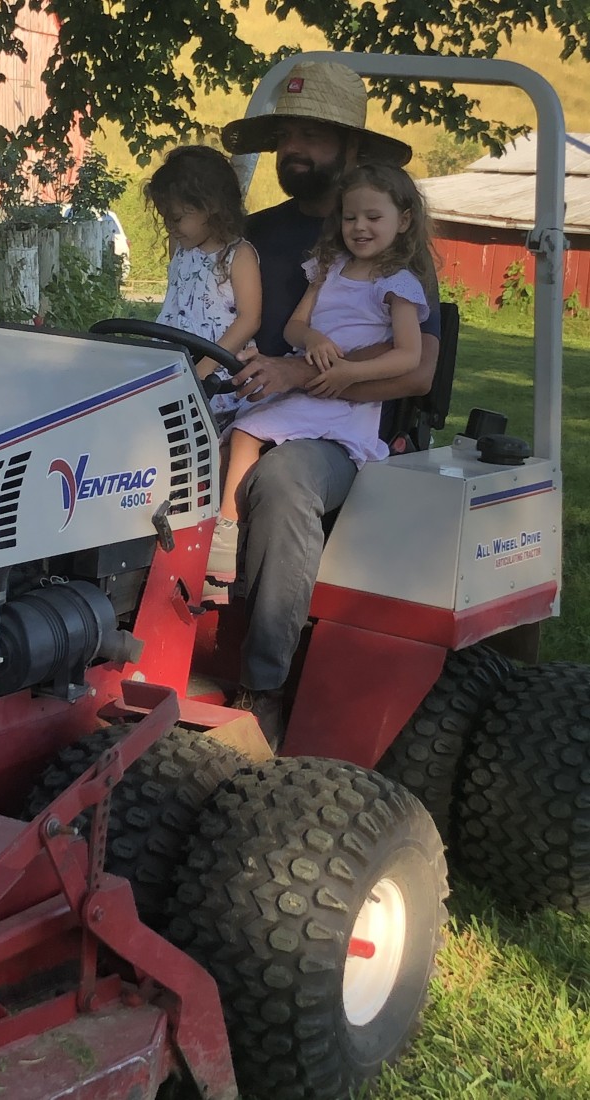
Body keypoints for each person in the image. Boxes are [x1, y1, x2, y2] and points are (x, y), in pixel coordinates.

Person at [212, 60, 441, 748]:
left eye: (312, 134)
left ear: (352, 147)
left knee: (279, 483)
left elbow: (416, 372)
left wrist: (298, 374)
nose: (293, 149)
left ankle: (262, 688)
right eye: (286, 132)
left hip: (336, 433)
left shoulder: (395, 254)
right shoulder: (258, 232)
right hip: (241, 403)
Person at [207, 162, 434, 582]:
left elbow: (408, 356)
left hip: (344, 401)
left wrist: (350, 372)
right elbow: (296, 325)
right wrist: (312, 339)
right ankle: (221, 542)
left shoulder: (398, 284)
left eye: (373, 217)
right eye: (350, 217)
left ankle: (223, 543)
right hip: (308, 384)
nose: (359, 227)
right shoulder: (327, 268)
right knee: (220, 439)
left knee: (244, 434)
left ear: (403, 221)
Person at [145, 145, 262, 424]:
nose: (169, 227)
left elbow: (249, 319)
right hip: (173, 365)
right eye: (164, 219)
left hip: (215, 373)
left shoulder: (239, 255)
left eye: (176, 218)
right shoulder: (181, 247)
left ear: (210, 207)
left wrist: (206, 366)